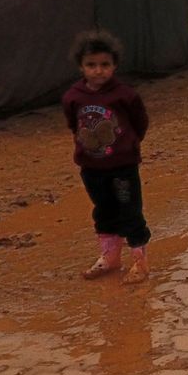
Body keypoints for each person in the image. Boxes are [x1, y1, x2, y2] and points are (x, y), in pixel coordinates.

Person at [63, 30, 151, 284]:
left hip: (123, 167)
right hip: (91, 167)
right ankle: (110, 257)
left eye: (105, 65)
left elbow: (140, 123)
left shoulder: (125, 95)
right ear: (81, 66)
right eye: (91, 65)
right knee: (103, 210)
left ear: (114, 65)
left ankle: (139, 261)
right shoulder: (73, 97)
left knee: (130, 211)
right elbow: (74, 125)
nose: (98, 71)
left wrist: (128, 146)